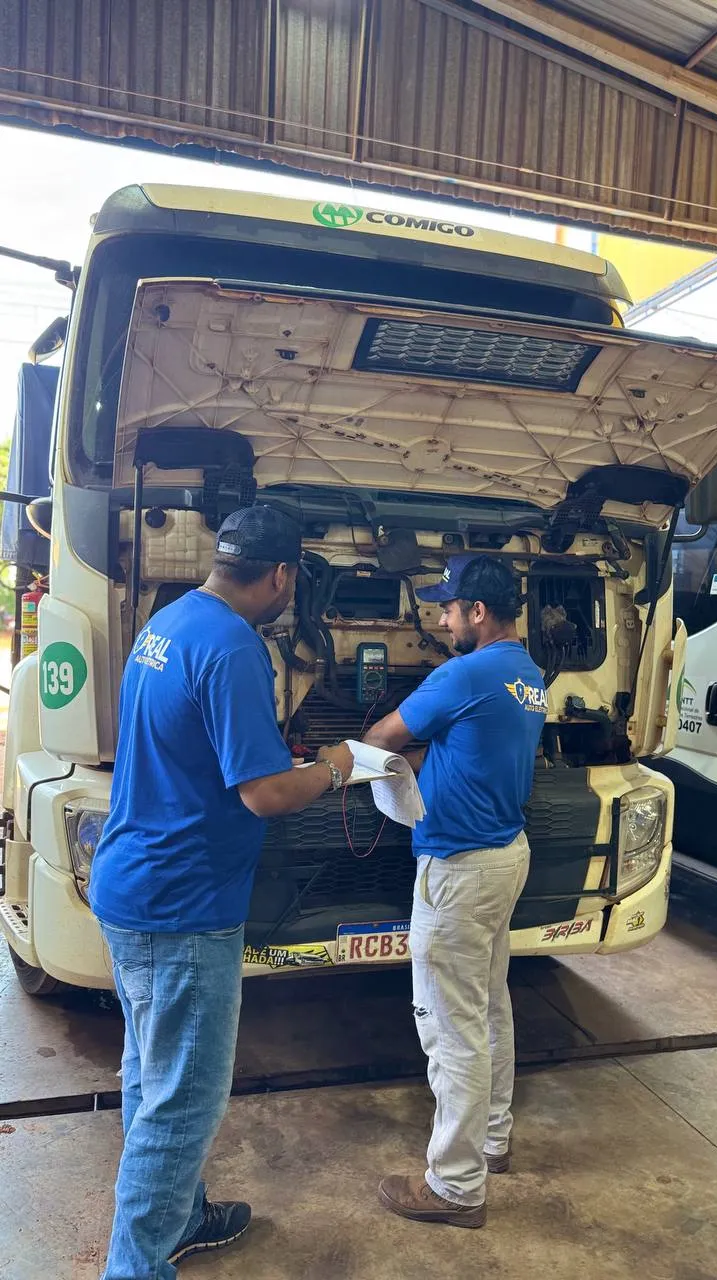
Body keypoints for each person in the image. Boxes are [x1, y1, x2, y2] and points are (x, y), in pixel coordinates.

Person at [89, 504, 353, 1279]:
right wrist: (338, 763)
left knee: (151, 1074)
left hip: (132, 883)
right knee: (183, 1105)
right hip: (184, 903)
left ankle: (184, 1215)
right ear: (280, 575)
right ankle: (135, 1267)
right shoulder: (236, 646)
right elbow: (266, 794)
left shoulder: (169, 621)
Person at [362, 555, 546, 1229]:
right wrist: (432, 756)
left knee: (451, 1027)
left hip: (461, 868)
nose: (439, 621)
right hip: (505, 854)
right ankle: (492, 1140)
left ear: (477, 612)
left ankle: (455, 1187)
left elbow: (383, 736)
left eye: (448, 609)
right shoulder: (526, 674)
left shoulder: (466, 671)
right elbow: (468, 749)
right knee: (489, 1006)